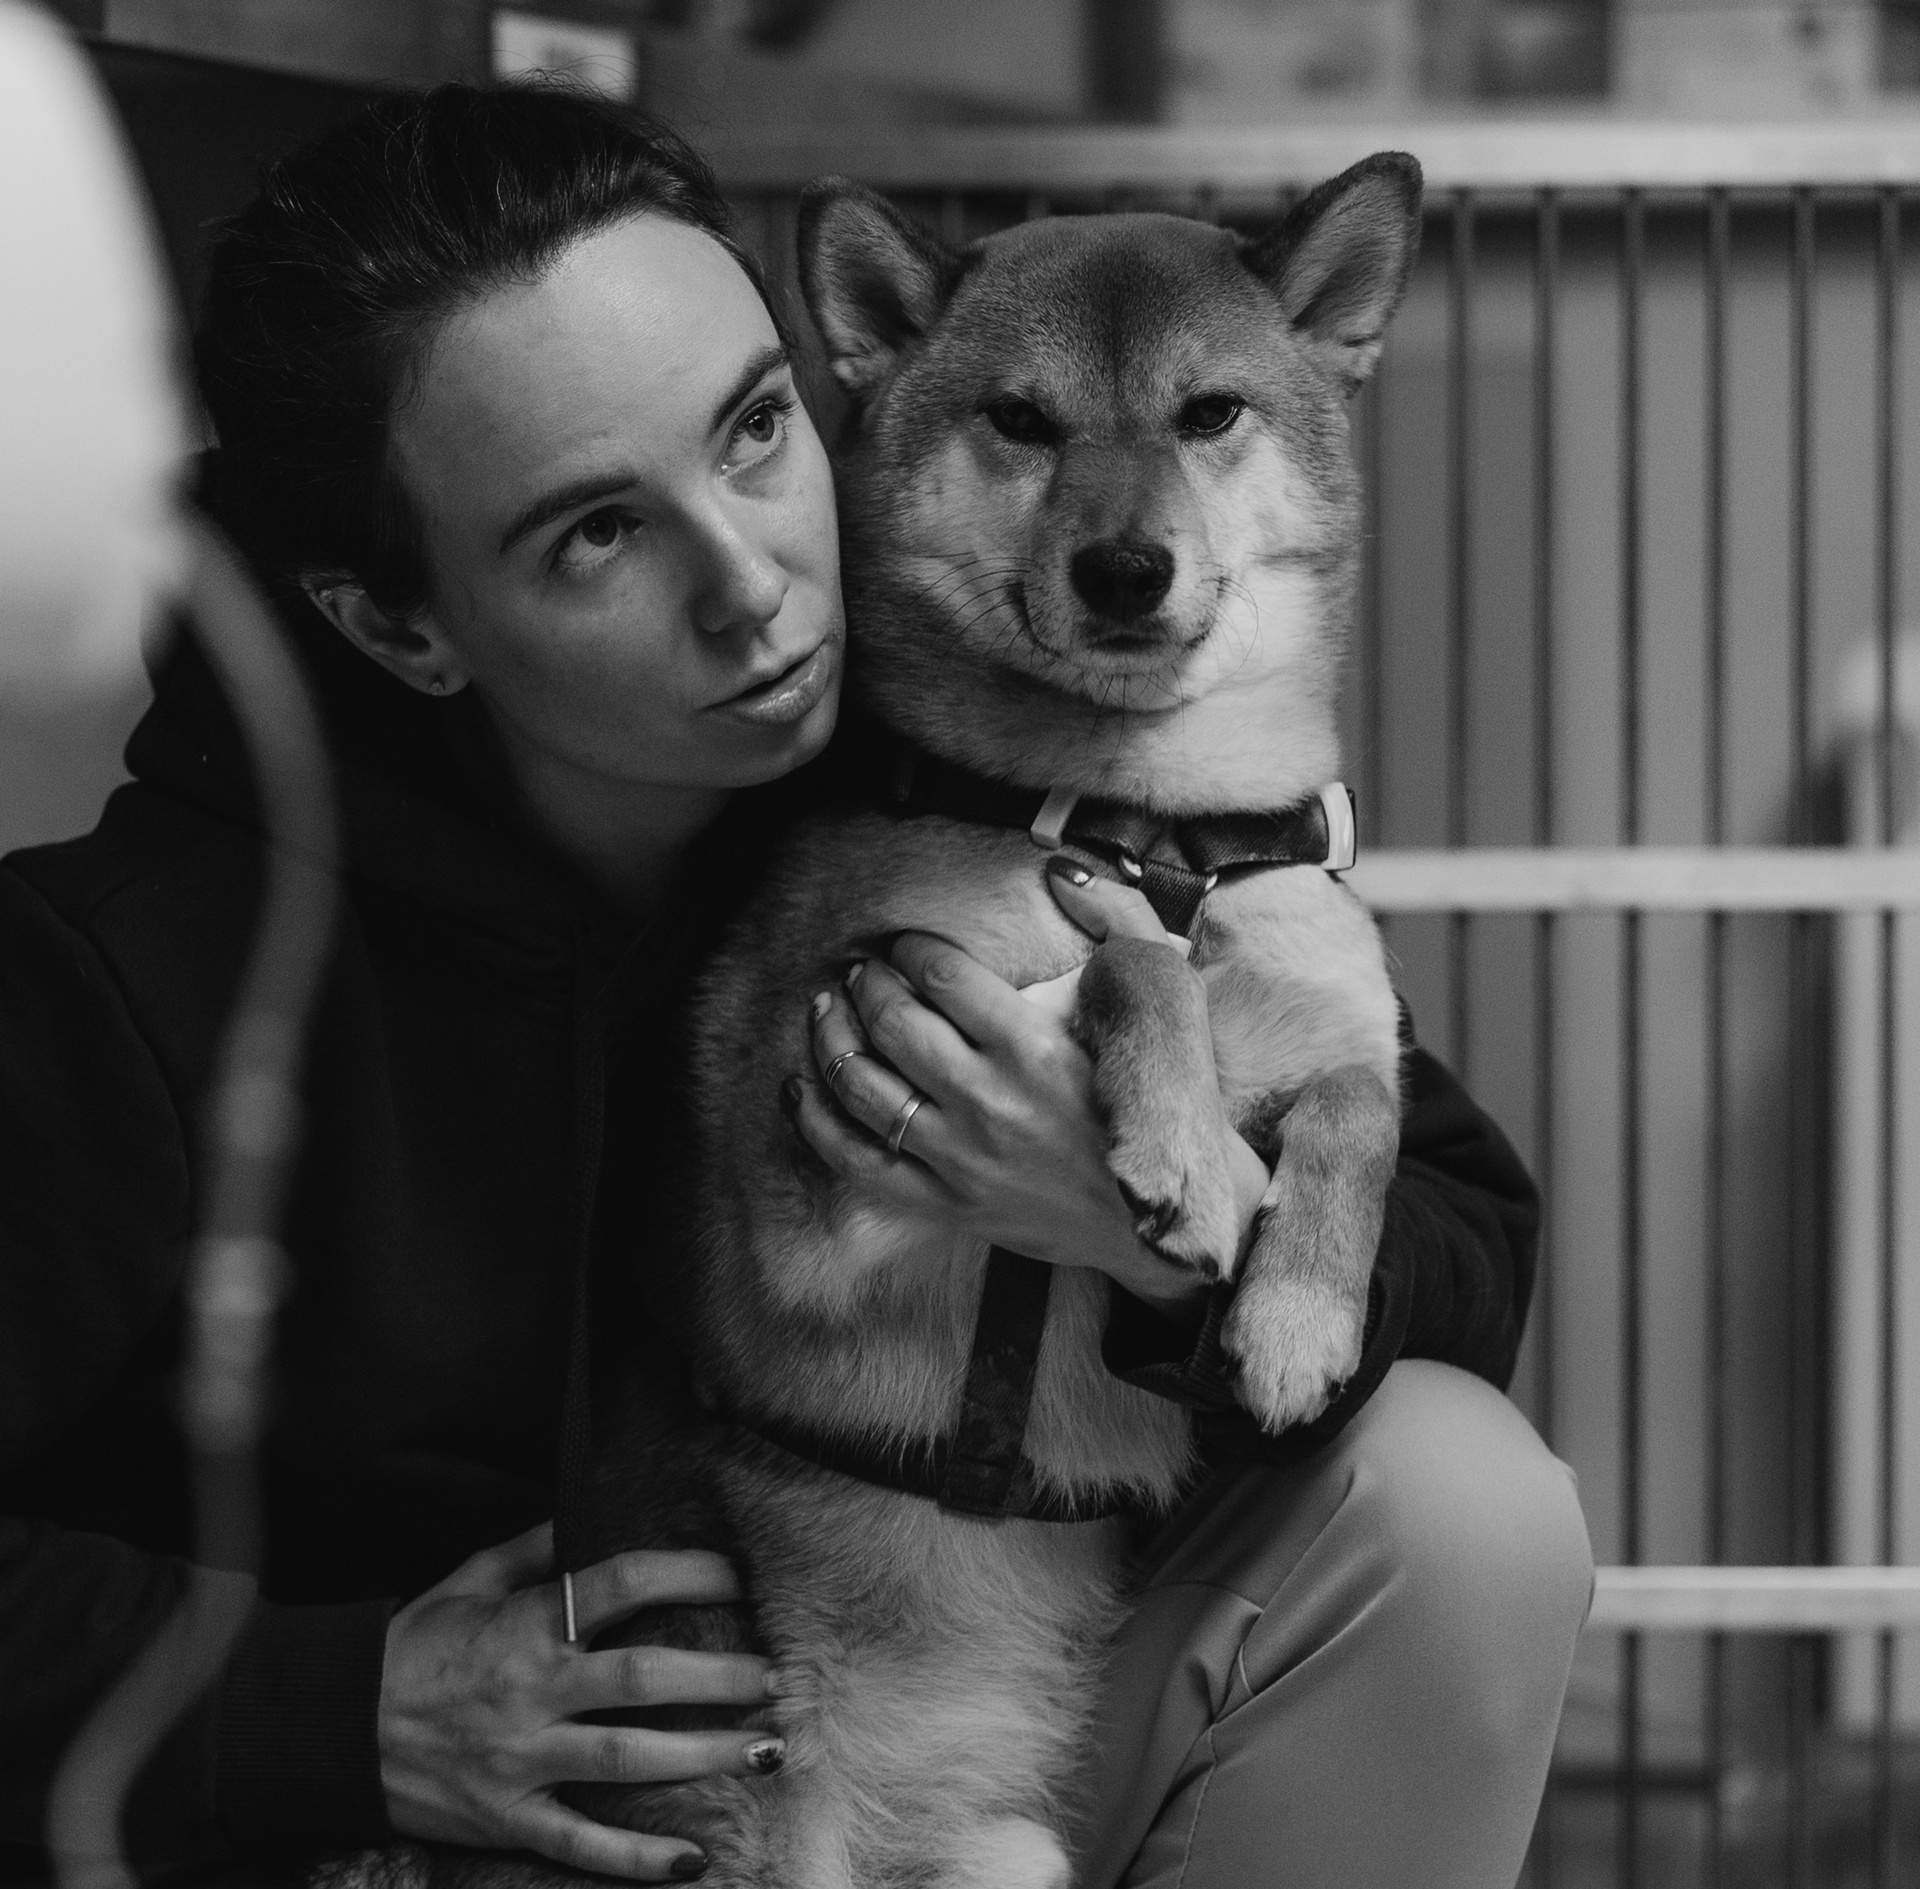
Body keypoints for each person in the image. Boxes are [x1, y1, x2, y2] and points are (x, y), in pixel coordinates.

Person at [0, 85, 1592, 1889]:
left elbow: (1462, 1238)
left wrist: (1149, 1242)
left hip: (989, 1704)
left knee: (1455, 1498)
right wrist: (342, 1706)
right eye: (597, 533)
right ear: (397, 621)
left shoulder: (980, 764)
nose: (753, 583)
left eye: (757, 431)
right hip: (469, 1816)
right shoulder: (119, 978)